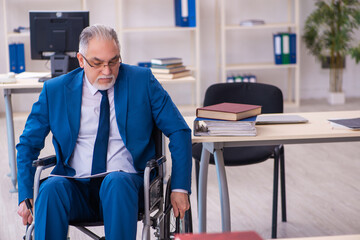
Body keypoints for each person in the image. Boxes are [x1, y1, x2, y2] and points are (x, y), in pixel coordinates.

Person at [16, 24, 192, 240]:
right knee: (51, 189)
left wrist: (180, 187)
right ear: (81, 61)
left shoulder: (142, 81)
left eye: (113, 61)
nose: (107, 71)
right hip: (74, 186)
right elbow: (27, 144)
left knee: (116, 182)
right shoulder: (55, 90)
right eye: (97, 63)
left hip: (127, 187)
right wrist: (25, 194)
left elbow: (179, 130)